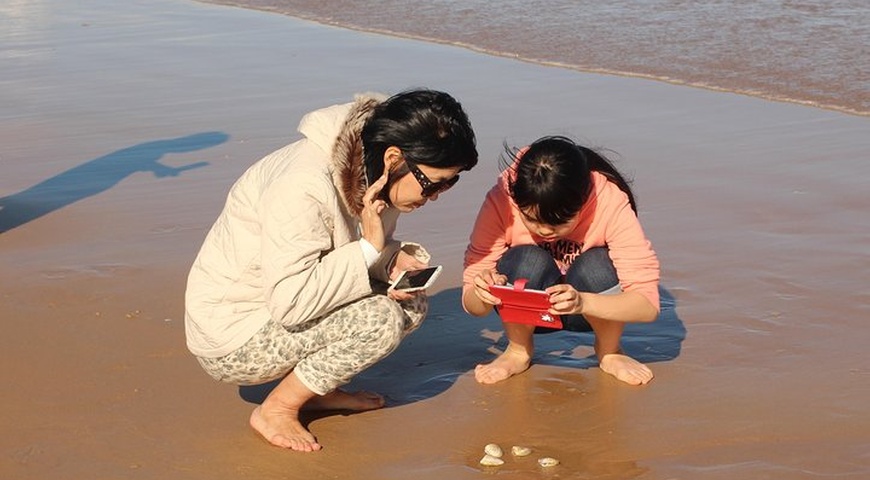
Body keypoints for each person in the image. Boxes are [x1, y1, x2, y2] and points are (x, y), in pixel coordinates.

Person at [185, 89, 478, 451]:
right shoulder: (302, 187)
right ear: (394, 158)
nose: (436, 194)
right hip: (232, 334)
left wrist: (388, 258)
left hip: (283, 304)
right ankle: (276, 409)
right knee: (380, 320)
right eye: (434, 183)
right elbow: (290, 303)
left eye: (450, 183)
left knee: (410, 305)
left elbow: (342, 256)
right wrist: (371, 250)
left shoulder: (377, 169)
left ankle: (318, 388)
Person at [462, 135, 659, 386]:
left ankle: (610, 351)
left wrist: (582, 302)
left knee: (598, 264)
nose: (544, 231)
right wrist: (483, 291)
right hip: (529, 312)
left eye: (558, 223)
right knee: (525, 259)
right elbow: (473, 303)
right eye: (531, 219)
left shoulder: (609, 201)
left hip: (590, 309)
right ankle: (518, 350)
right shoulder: (501, 199)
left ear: (584, 200)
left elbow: (647, 305)